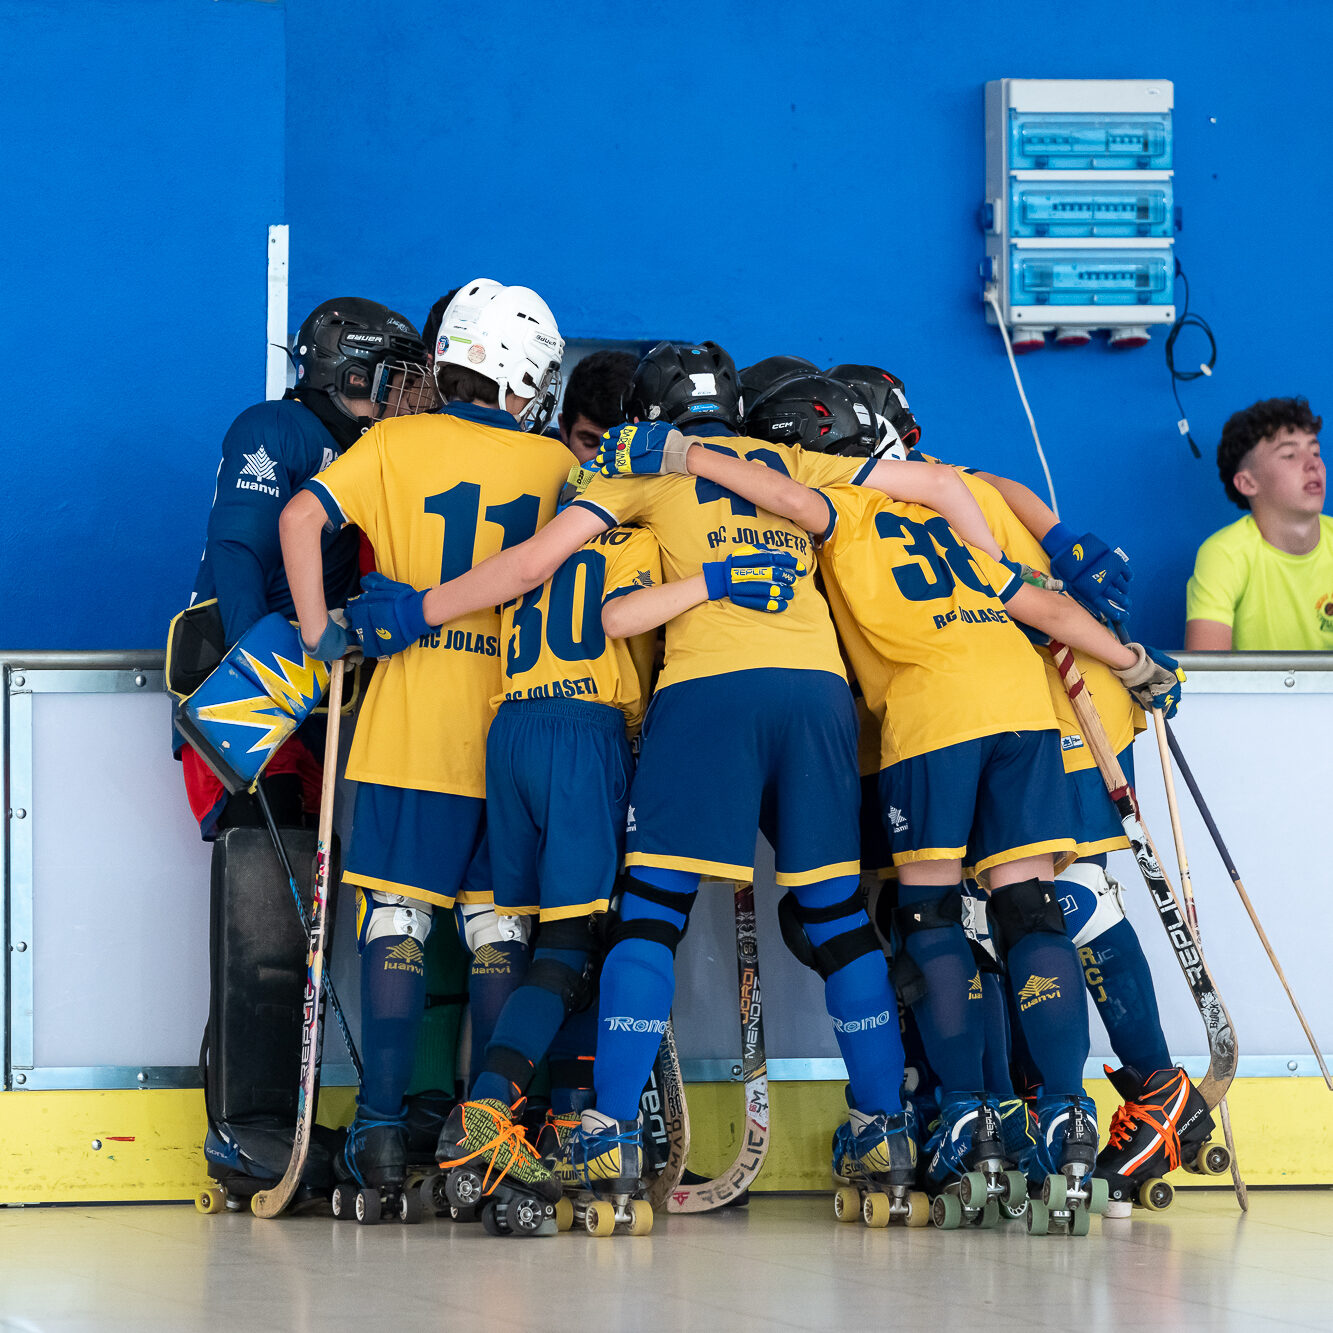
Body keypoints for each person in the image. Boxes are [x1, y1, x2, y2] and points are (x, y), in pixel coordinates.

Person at [402, 339, 1023, 1225]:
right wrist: (1000, 574)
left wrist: (412, 610)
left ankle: (610, 1133)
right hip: (817, 691)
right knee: (840, 919)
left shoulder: (635, 464)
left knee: (651, 908)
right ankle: (885, 1130)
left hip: (705, 692)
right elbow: (934, 484)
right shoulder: (788, 458)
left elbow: (542, 570)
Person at [708, 369, 1183, 1226]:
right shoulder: (943, 502)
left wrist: (676, 449)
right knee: (1029, 908)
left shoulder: (830, 510)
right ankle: (1067, 1111)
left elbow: (772, 494)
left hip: (932, 717)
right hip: (1019, 702)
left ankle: (972, 1108)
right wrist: (1134, 660)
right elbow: (1032, 593)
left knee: (930, 915)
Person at [279, 278, 573, 1214]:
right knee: (497, 930)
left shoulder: (391, 440)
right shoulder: (553, 466)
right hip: (513, 727)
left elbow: (297, 519)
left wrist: (323, 630)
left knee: (397, 921)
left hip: (405, 718)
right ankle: (490, 1144)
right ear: (524, 372)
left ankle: (376, 1137)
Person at [175, 298, 434, 1201]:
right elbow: (239, 552)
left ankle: (317, 1115)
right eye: (397, 373)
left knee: (330, 908)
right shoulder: (276, 428)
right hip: (252, 703)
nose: (413, 390)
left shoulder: (389, 455)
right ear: (351, 372)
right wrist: (267, 691)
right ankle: (249, 1122)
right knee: (270, 902)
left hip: (331, 708)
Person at [1185, 397, 1332, 650]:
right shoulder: (1223, 554)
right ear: (1247, 483)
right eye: (1289, 455)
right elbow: (1207, 679)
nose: (1314, 464)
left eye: (1316, 451)